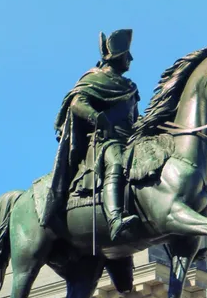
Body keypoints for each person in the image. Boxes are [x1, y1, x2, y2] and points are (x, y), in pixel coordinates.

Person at [43, 29, 141, 244]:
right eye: (127, 54)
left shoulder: (130, 87)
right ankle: (115, 219)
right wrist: (98, 118)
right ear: (116, 57)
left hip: (131, 140)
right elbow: (77, 103)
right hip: (104, 141)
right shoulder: (95, 79)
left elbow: (135, 119)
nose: (130, 58)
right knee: (116, 160)